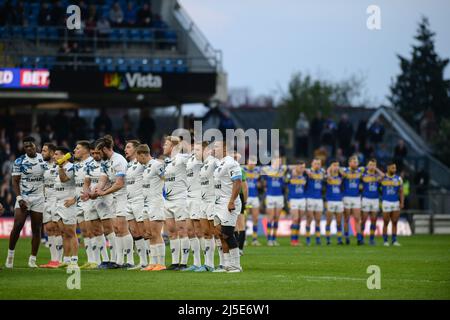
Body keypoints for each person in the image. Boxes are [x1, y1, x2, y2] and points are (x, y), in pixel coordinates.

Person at [6, 136, 46, 269]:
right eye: (26, 146)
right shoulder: (19, 161)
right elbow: (15, 181)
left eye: (31, 146)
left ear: (36, 145)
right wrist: (19, 198)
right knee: (17, 225)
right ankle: (10, 257)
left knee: (37, 229)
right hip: (24, 197)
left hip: (39, 198)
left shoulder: (43, 159)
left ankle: (32, 260)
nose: (29, 148)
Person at [94, 136, 134, 268]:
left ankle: (129, 260)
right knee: (116, 229)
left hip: (123, 196)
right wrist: (96, 190)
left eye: (99, 152)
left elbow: (119, 184)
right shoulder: (106, 162)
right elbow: (103, 179)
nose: (98, 155)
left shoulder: (119, 161)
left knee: (122, 228)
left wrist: (104, 193)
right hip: (114, 197)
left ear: (105, 149)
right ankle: (118, 261)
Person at [82, 144, 116, 269]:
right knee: (96, 230)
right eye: (93, 153)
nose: (95, 155)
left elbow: (110, 182)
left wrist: (96, 193)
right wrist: (86, 192)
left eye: (97, 153)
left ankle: (114, 258)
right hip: (92, 199)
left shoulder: (107, 164)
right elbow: (87, 183)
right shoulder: (89, 165)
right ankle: (105, 260)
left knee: (108, 229)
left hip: (105, 198)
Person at [212, 140, 243, 273]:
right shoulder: (219, 163)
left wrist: (231, 201)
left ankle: (236, 266)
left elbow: (238, 182)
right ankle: (226, 264)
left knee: (228, 234)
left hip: (228, 203)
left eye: (216, 147)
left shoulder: (231, 163)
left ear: (225, 149)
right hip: (218, 203)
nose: (214, 149)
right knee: (220, 234)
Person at [162, 136, 191, 271]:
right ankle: (174, 263)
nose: (163, 146)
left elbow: (192, 155)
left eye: (166, 144)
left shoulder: (181, 158)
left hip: (180, 199)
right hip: (168, 200)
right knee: (172, 232)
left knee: (182, 231)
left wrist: (178, 142)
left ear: (173, 147)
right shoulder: (166, 162)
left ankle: (183, 263)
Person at [137, 144, 166, 271]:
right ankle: (152, 263)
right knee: (149, 234)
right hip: (146, 203)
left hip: (156, 203)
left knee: (156, 233)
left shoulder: (157, 165)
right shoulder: (146, 167)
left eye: (138, 157)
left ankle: (161, 263)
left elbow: (166, 179)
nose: (137, 160)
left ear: (143, 154)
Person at [72, 141, 97, 269]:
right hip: (78, 201)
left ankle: (97, 260)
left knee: (92, 231)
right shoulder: (76, 165)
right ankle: (90, 259)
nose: (74, 151)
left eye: (77, 148)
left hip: (89, 201)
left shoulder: (92, 163)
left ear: (86, 150)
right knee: (84, 232)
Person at [124, 140, 148, 270]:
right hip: (129, 201)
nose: (125, 149)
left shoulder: (143, 164)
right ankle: (143, 262)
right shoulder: (127, 165)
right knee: (134, 231)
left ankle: (153, 261)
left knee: (144, 231)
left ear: (136, 149)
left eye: (128, 147)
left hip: (140, 201)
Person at [39, 143, 64, 268]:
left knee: (57, 229)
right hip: (46, 200)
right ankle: (53, 260)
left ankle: (59, 260)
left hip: (57, 200)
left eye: (44, 151)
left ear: (52, 152)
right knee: (48, 229)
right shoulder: (42, 166)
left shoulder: (60, 165)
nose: (42, 153)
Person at [53, 146, 78, 268]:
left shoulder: (71, 167)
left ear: (64, 156)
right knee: (63, 233)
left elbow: (64, 180)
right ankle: (66, 259)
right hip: (58, 204)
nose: (54, 156)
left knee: (71, 233)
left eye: (57, 154)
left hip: (68, 204)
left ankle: (74, 259)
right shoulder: (57, 167)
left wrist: (61, 166)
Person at [198, 142, 218, 271]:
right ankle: (208, 264)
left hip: (213, 201)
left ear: (206, 150)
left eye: (197, 150)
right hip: (203, 201)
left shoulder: (214, 162)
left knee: (217, 233)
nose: (195, 152)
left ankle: (223, 263)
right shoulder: (202, 165)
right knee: (205, 232)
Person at [261, 155, 286, 246]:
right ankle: (269, 239)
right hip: (270, 196)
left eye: (279, 161)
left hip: (279, 196)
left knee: (276, 218)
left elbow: (284, 183)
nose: (278, 163)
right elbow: (262, 181)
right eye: (276, 161)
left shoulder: (282, 171)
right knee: (270, 217)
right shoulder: (267, 170)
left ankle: (274, 238)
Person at [340, 156, 364, 245]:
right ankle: (346, 237)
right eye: (353, 162)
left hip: (356, 197)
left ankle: (359, 238)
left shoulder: (360, 171)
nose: (355, 163)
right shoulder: (345, 171)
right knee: (346, 219)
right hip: (346, 197)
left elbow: (369, 168)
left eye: (356, 162)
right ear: (349, 163)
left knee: (357, 218)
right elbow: (338, 169)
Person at [361, 159, 384, 245]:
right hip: (366, 199)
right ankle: (361, 238)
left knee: (374, 219)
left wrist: (376, 169)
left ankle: (371, 239)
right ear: (367, 165)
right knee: (364, 219)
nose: (372, 166)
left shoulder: (377, 176)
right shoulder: (364, 174)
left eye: (374, 165)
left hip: (375, 199)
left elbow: (383, 176)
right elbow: (364, 178)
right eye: (370, 164)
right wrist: (368, 169)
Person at [381, 162, 404, 246]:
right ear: (388, 168)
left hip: (395, 202)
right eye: (392, 168)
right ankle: (385, 241)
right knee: (386, 222)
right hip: (386, 202)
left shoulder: (399, 179)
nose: (394, 169)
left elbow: (401, 192)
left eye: (395, 168)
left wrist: (402, 202)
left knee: (395, 222)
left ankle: (394, 240)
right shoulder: (383, 178)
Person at [305, 158, 325, 246]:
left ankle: (318, 238)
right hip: (310, 198)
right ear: (312, 164)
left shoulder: (322, 172)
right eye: (316, 163)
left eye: (319, 164)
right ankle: (308, 238)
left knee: (318, 220)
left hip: (319, 198)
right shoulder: (308, 172)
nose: (317, 165)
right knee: (309, 219)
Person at [286, 162, 307, 246]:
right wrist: (291, 175)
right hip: (293, 199)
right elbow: (285, 181)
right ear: (297, 167)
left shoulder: (305, 176)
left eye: (304, 167)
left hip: (302, 199)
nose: (303, 169)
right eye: (301, 167)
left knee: (299, 220)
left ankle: (296, 239)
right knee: (295, 219)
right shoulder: (290, 175)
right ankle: (292, 240)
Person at [243, 156, 261, 246]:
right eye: (251, 161)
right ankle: (244, 238)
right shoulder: (242, 169)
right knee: (245, 219)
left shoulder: (257, 171)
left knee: (255, 218)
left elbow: (260, 183)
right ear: (247, 162)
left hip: (255, 197)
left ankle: (254, 239)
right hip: (247, 197)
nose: (252, 164)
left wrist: (259, 184)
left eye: (254, 162)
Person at [325, 160, 344, 245]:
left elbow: (345, 175)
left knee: (339, 222)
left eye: (337, 165)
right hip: (330, 201)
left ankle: (339, 239)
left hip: (339, 201)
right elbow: (328, 177)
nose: (336, 167)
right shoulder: (328, 176)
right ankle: (328, 240)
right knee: (329, 221)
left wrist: (339, 170)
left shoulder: (340, 177)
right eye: (334, 165)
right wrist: (329, 170)